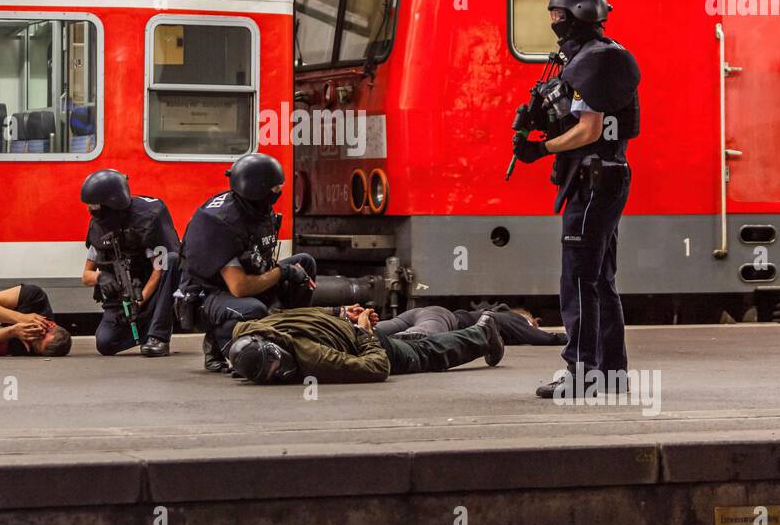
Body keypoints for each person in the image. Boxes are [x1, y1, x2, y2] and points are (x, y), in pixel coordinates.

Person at [512, 0, 641, 399]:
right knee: (600, 279)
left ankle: (583, 373)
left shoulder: (598, 60)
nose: (554, 24)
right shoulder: (602, 54)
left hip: (595, 178)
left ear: (576, 16)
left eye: (558, 16)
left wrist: (540, 147)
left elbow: (587, 129)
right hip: (604, 174)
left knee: (580, 280)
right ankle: (610, 373)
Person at [179, 153, 316, 373]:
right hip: (208, 295)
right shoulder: (220, 222)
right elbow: (239, 287)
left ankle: (291, 334)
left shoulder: (256, 208)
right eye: (274, 189)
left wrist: (283, 271)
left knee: (305, 264)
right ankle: (222, 344)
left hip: (244, 281)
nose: (278, 193)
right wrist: (282, 272)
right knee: (253, 309)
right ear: (256, 189)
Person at [226, 306, 503, 385]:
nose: (279, 372)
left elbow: (377, 366)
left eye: (277, 367)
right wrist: (340, 311)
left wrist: (363, 331)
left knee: (421, 354)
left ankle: (483, 335)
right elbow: (302, 312)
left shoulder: (312, 358)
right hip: (345, 328)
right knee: (408, 343)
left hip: (360, 339)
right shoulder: (255, 327)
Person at [80, 169, 180, 358]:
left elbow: (159, 269)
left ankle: (158, 336)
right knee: (105, 344)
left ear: (112, 202)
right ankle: (147, 329)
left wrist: (141, 298)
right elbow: (86, 275)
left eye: (94, 205)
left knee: (172, 260)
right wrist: (101, 277)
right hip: (121, 300)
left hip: (150, 293)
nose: (89, 210)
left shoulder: (148, 218)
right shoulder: (98, 226)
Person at [373, 304, 565, 347]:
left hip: (424, 313)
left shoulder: (494, 313)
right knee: (418, 338)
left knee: (374, 331)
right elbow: (542, 338)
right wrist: (571, 338)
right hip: (443, 320)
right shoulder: (517, 320)